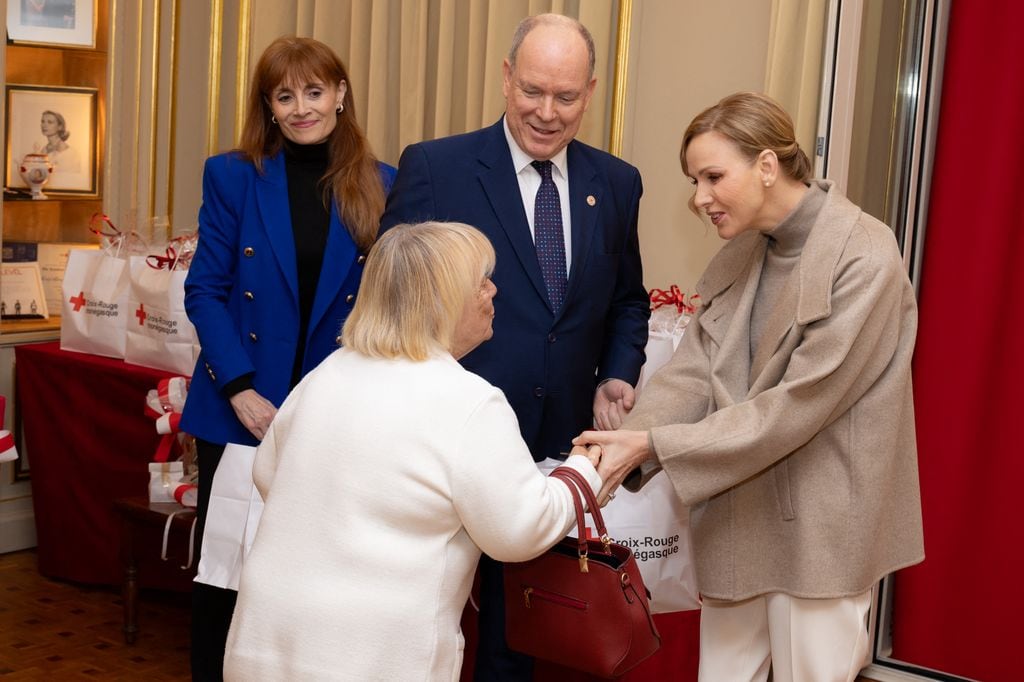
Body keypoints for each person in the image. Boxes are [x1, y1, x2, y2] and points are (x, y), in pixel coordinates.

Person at [576, 92, 925, 682]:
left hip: (821, 528)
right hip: (739, 515)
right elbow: (691, 370)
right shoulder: (741, 251)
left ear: (767, 165)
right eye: (694, 180)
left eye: (713, 176)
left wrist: (654, 446)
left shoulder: (865, 255)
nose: (698, 198)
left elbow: (797, 406)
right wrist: (613, 448)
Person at [380, 14, 649, 678]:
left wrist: (617, 373)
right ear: (505, 78)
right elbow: (392, 300)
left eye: (566, 96)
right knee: (424, 617)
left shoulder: (616, 183)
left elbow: (626, 301)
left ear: (590, 91)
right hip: (450, 440)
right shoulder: (437, 168)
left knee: (520, 635)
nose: (548, 113)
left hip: (555, 444)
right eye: (533, 91)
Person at [222, 221, 603, 681]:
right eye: (480, 280)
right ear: (443, 300)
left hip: (267, 639)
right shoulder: (468, 400)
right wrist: (585, 470)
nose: (493, 290)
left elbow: (270, 475)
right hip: (372, 654)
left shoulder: (328, 373)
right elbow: (519, 530)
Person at [181, 35, 395, 681]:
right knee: (226, 583)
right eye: (284, 95)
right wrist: (240, 389)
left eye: (313, 91)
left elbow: (383, 309)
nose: (301, 107)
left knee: (312, 582)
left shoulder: (381, 185)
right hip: (240, 409)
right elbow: (205, 290)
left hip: (329, 417)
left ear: (340, 94)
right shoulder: (232, 175)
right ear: (268, 106)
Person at [38, 110, 82, 176]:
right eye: (43, 121)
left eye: (50, 122)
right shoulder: (44, 150)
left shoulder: (69, 153)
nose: (44, 125)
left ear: (60, 127)